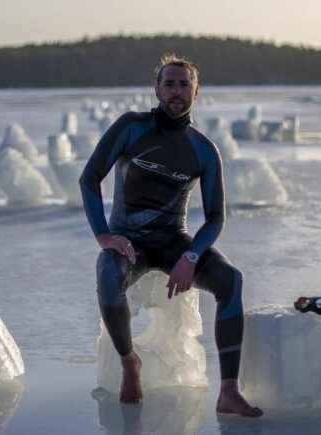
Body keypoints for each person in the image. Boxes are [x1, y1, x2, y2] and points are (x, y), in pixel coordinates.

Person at [79, 54, 262, 417]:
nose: (177, 91)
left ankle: (228, 391)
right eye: (169, 83)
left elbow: (214, 218)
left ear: (196, 90)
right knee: (107, 273)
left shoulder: (204, 150)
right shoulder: (131, 128)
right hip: (130, 242)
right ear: (157, 89)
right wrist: (104, 236)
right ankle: (130, 363)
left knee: (231, 280)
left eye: (184, 84)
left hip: (173, 241)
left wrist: (191, 256)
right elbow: (89, 179)